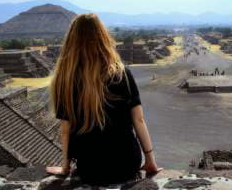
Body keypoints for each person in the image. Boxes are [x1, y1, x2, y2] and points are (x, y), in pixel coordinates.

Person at [46, 14, 161, 185]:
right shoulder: (121, 74)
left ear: (71, 40)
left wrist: (65, 167)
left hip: (91, 169)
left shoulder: (65, 81)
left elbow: (65, 130)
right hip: (127, 164)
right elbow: (139, 120)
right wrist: (150, 161)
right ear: (103, 36)